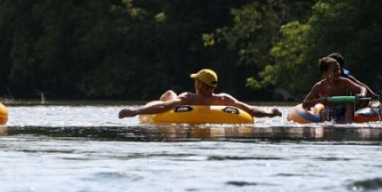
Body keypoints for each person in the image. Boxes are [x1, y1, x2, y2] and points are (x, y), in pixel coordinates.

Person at [118, 68, 282, 119]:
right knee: (170, 94)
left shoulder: (189, 98)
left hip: (177, 105)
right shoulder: (223, 99)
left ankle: (165, 94)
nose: (194, 82)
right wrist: (270, 113)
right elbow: (250, 109)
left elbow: (164, 106)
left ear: (200, 84)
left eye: (196, 80)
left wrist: (136, 111)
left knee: (169, 94)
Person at [302, 56, 367, 123]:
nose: (338, 72)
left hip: (344, 109)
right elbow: (305, 103)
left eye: (339, 70)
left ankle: (348, 124)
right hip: (329, 110)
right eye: (335, 71)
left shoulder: (345, 82)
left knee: (349, 103)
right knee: (323, 112)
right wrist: (319, 100)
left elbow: (362, 88)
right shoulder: (319, 86)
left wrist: (362, 94)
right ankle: (327, 128)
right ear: (325, 72)